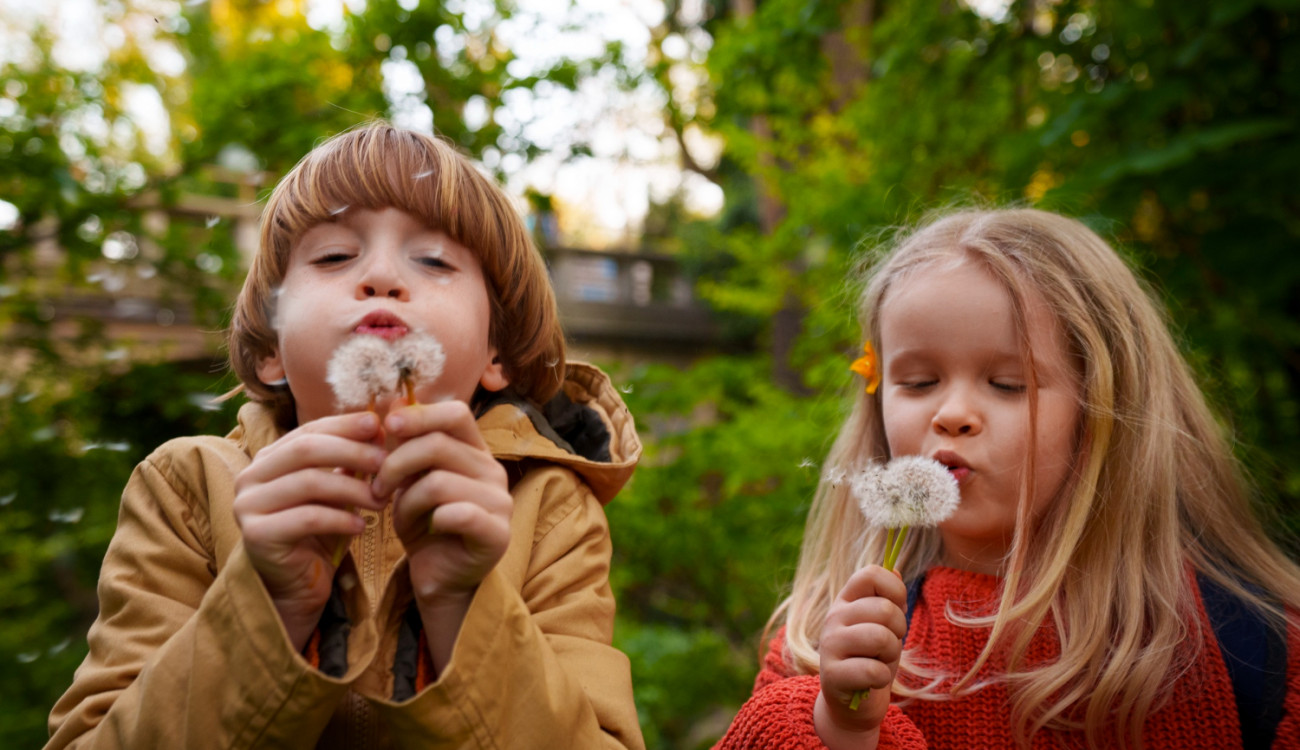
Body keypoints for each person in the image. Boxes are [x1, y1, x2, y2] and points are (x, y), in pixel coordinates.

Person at [47, 122, 645, 749]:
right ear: (270, 348)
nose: (382, 275)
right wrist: (268, 605)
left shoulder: (551, 509)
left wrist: (463, 606)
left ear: (498, 353)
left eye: (433, 260)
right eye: (334, 256)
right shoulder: (186, 487)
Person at [712, 208, 1300, 749]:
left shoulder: (1247, 646)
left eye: (1008, 385)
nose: (952, 414)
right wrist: (839, 725)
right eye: (918, 383)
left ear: (1109, 411)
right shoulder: (826, 641)